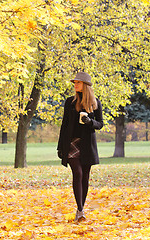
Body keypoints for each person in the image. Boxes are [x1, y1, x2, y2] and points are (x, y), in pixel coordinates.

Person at [57, 72, 103, 222]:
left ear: (86, 85)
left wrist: (90, 121)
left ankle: (79, 210)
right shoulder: (70, 102)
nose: (75, 85)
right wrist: (60, 147)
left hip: (87, 145)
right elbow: (64, 125)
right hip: (71, 144)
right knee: (77, 173)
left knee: (85, 177)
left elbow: (100, 124)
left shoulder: (95, 103)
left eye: (78, 82)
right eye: (75, 82)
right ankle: (81, 210)